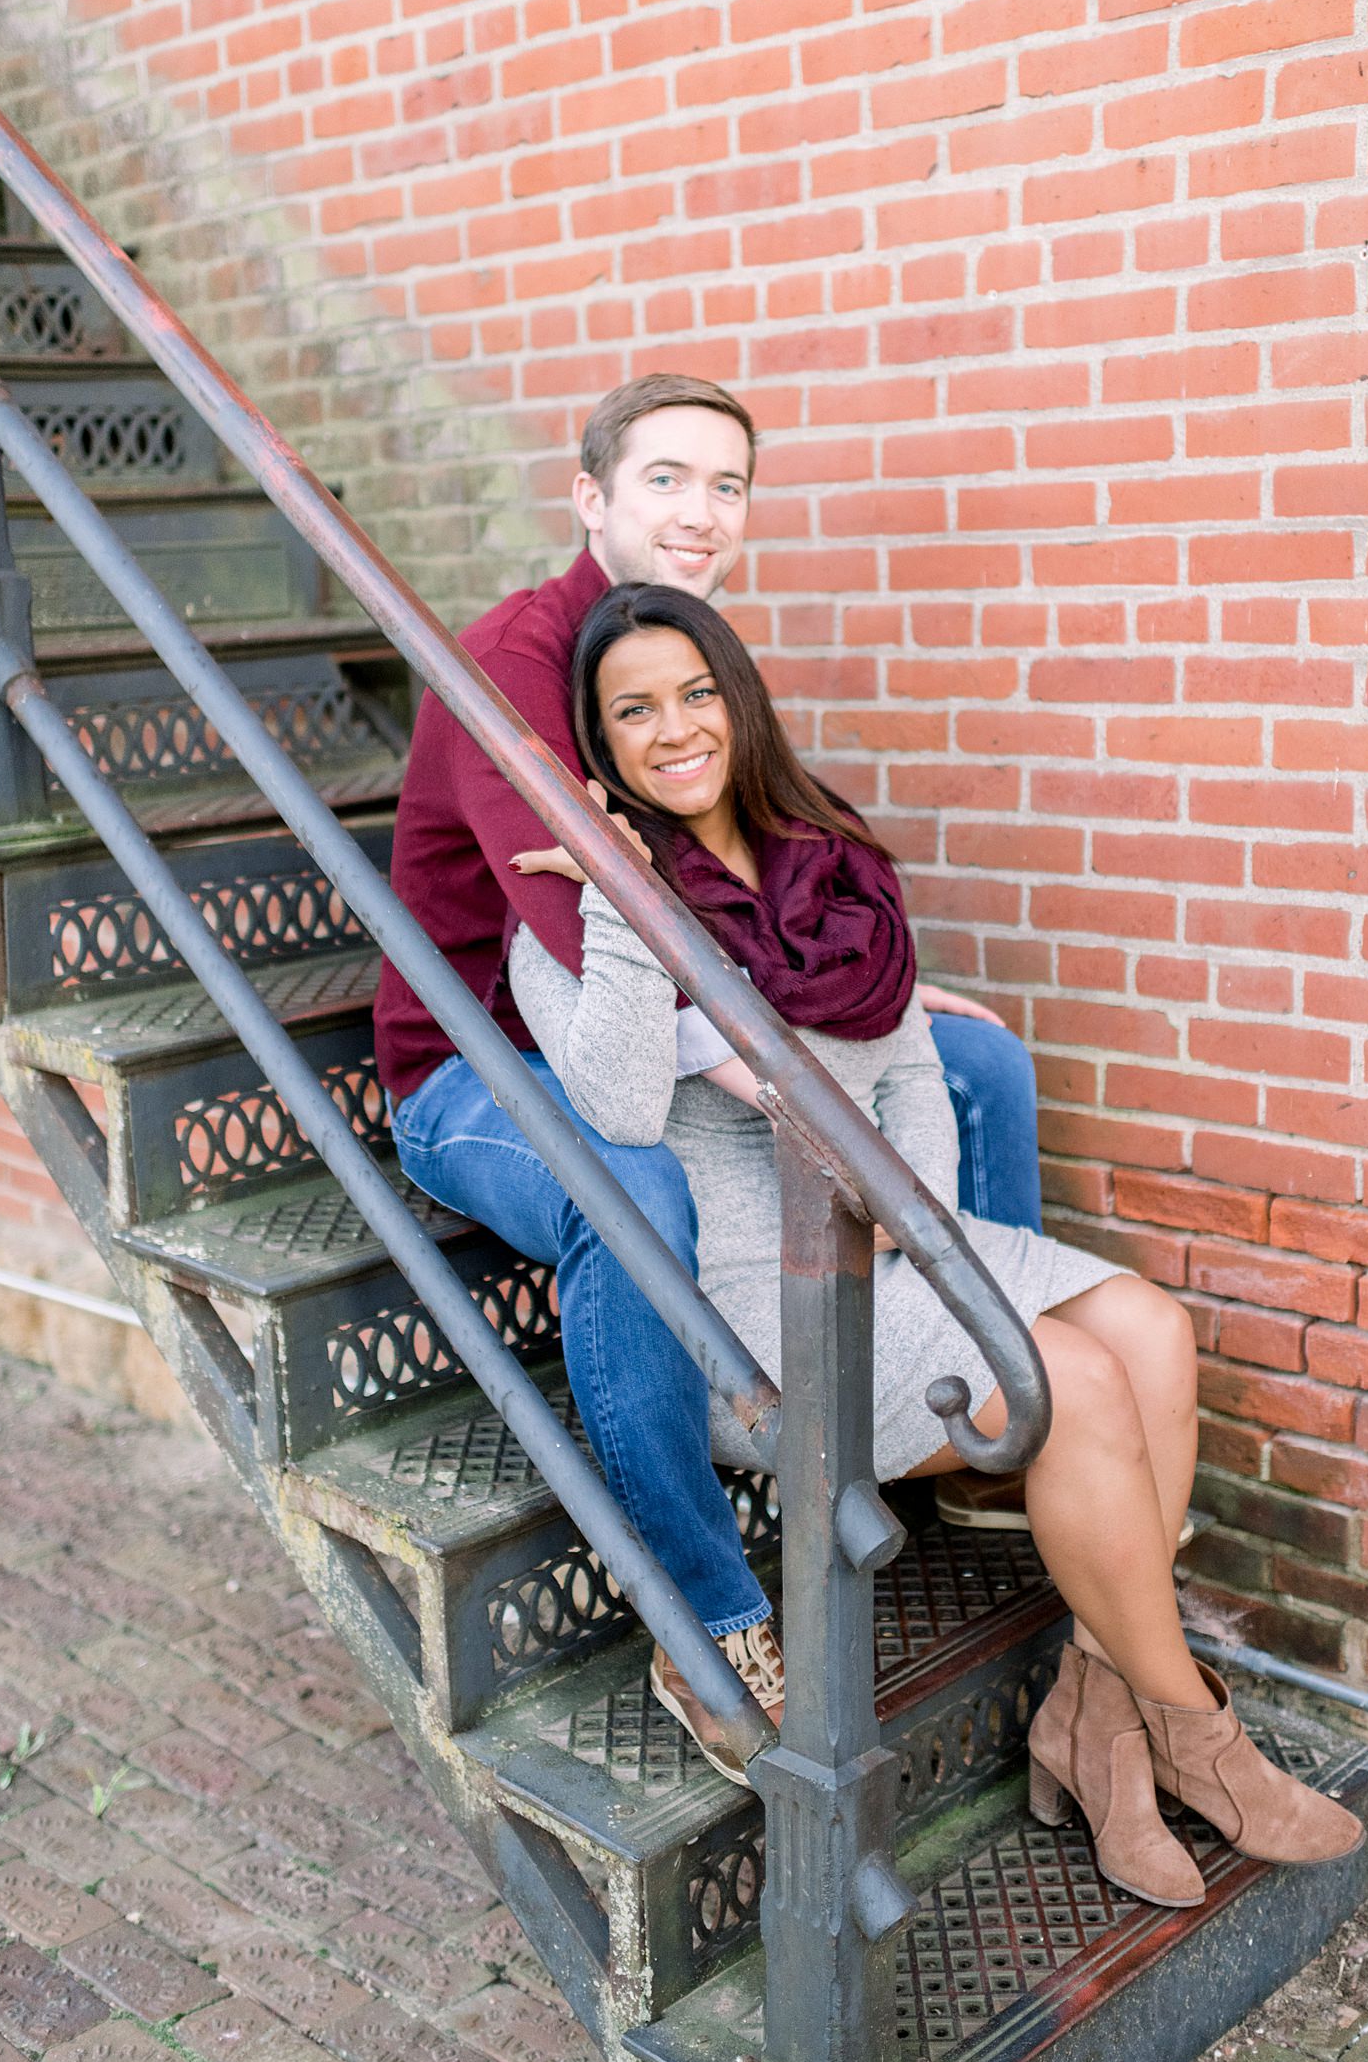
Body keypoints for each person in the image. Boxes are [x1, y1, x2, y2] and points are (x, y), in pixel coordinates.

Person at [504, 581, 1364, 1907]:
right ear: (598, 745)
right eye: (631, 711)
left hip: (902, 1236)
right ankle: (1202, 1735)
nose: (672, 727)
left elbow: (905, 1069)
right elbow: (614, 1106)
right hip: (762, 1302)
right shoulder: (562, 917)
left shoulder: (826, 861)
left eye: (692, 692)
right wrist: (621, 897)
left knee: (1149, 1330)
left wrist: (921, 1234)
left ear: (736, 700)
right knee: (1066, 1382)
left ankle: (1094, 1717)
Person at [374, 374, 1043, 1744]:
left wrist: (874, 1001)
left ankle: (976, 1401)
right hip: (484, 1058)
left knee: (983, 1072)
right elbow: (572, 915)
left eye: (728, 485)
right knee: (635, 1196)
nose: (702, 514)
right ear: (591, 500)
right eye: (666, 480)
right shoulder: (516, 658)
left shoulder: (662, 638)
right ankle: (708, 1618)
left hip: (644, 1022)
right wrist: (783, 1070)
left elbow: (744, 857)